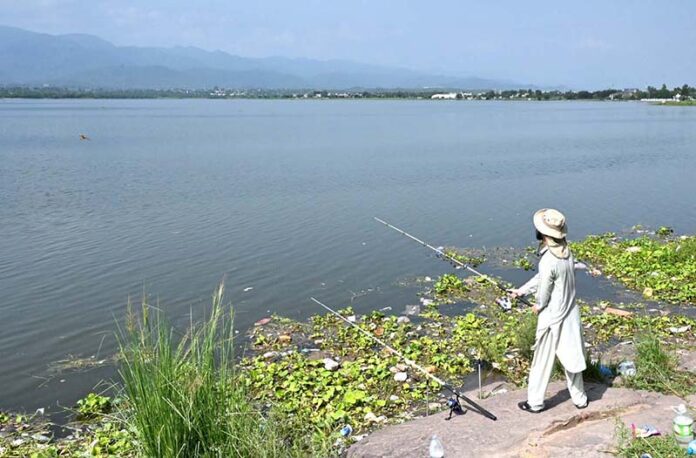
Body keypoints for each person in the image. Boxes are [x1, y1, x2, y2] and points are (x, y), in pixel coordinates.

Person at [508, 208, 588, 413]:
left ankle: (535, 403)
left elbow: (545, 288)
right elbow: (544, 279)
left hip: (552, 316)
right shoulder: (567, 253)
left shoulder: (548, 259)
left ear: (543, 234)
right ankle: (580, 399)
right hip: (570, 312)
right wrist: (521, 291)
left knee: (542, 359)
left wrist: (539, 305)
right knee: (572, 357)